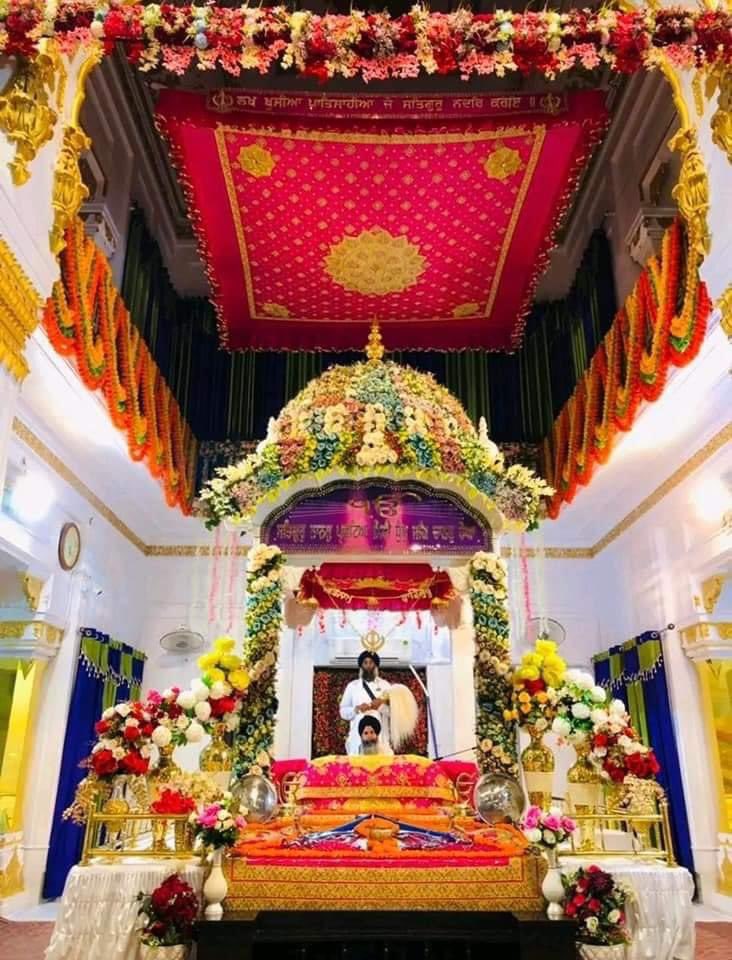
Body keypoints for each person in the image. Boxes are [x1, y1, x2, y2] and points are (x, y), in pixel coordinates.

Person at [339, 651, 393, 756]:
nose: (368, 666)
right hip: (357, 740)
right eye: (365, 662)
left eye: (371, 662)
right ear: (361, 666)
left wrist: (381, 706)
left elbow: (395, 712)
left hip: (381, 739)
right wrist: (356, 709)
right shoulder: (352, 686)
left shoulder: (386, 686)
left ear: (376, 665)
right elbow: (343, 712)